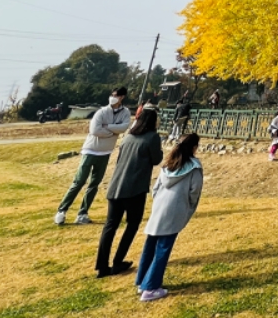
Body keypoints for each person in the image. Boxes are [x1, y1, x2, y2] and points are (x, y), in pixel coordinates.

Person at [134, 132, 203, 302]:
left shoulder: (168, 164)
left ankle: (142, 281)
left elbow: (155, 188)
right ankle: (150, 288)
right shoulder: (194, 167)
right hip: (175, 209)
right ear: (194, 147)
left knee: (150, 245)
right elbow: (194, 191)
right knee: (163, 249)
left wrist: (158, 203)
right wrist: (188, 207)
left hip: (159, 208)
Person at [96, 107, 163, 278]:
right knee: (132, 224)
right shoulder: (152, 137)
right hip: (135, 189)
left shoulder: (128, 137)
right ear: (153, 121)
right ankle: (118, 261)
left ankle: (102, 266)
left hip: (116, 186)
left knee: (110, 226)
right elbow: (156, 159)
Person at [55, 86, 131, 226]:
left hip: (105, 152)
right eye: (112, 94)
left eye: (117, 95)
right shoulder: (101, 112)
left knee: (94, 184)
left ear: (122, 97)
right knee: (79, 182)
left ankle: (82, 213)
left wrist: (107, 126)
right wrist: (113, 131)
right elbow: (95, 130)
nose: (113, 97)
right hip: (90, 150)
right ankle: (62, 211)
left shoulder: (125, 112)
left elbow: (124, 127)